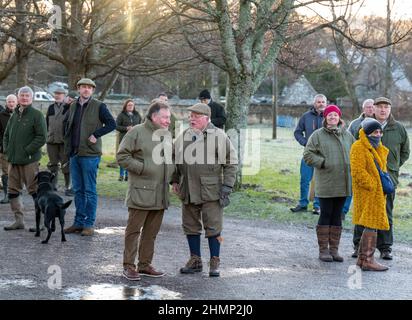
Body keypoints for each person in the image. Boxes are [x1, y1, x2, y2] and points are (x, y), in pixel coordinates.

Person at [172, 103, 238, 277]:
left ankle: (214, 261)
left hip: (212, 190)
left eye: (196, 116)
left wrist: (227, 186)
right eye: (190, 115)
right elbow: (175, 159)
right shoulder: (184, 135)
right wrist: (174, 180)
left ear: (207, 118)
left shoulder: (219, 136)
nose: (191, 119)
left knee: (213, 226)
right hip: (188, 188)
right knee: (190, 226)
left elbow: (231, 162)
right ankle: (195, 261)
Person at [117, 101, 173, 281]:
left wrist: (175, 178)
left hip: (160, 192)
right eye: (165, 117)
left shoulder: (166, 135)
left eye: (169, 118)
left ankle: (144, 264)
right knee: (134, 231)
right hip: (141, 191)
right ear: (154, 116)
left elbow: (170, 161)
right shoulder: (136, 132)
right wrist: (143, 168)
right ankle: (128, 266)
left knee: (151, 232)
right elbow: (122, 156)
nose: (168, 121)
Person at [352, 97, 410, 260]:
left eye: (386, 107)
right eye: (380, 107)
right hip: (368, 180)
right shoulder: (365, 127)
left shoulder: (398, 128)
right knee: (364, 211)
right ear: (374, 109)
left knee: (386, 212)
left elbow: (405, 152)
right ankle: (358, 246)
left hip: (388, 179)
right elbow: (358, 150)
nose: (383, 110)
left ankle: (385, 248)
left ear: (390, 109)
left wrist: (393, 168)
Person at [63, 78, 116, 236]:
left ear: (92, 91)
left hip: (90, 155)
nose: (86, 90)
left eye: (89, 88)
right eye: (83, 87)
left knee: (90, 191)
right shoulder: (72, 105)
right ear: (78, 89)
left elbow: (112, 124)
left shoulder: (99, 106)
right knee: (78, 190)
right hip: (74, 154)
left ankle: (89, 224)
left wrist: (96, 134)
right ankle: (78, 223)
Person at [303, 105, 355, 262]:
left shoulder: (347, 135)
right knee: (326, 214)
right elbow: (308, 154)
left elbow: (355, 152)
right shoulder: (317, 135)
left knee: (337, 215)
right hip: (326, 182)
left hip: (343, 182)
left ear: (339, 117)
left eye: (335, 115)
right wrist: (324, 162)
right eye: (329, 115)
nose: (333, 117)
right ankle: (323, 250)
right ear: (325, 118)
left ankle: (334, 250)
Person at [3, 87, 47, 231]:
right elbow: (6, 135)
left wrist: (27, 150)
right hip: (13, 161)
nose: (24, 98)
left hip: (30, 160)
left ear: (32, 98)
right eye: (22, 95)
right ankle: (19, 221)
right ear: (18, 97)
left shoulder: (37, 115)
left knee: (34, 191)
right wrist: (8, 150)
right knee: (12, 191)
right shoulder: (14, 114)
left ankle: (41, 223)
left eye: (27, 96)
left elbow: (42, 137)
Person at [350, 118, 389, 271]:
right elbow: (357, 171)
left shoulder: (377, 147)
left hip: (376, 192)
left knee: (371, 223)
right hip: (367, 192)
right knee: (371, 223)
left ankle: (363, 259)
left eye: (380, 132)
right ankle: (367, 260)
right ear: (367, 133)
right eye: (374, 132)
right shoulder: (358, 146)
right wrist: (372, 185)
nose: (378, 134)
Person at [290, 94, 327, 214]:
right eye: (318, 102)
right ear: (314, 103)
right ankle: (303, 204)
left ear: (326, 103)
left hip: (323, 155)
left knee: (320, 181)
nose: (321, 104)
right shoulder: (306, 116)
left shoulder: (330, 116)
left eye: (323, 102)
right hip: (308, 154)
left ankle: (317, 206)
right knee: (305, 179)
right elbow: (297, 132)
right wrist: (305, 143)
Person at [341, 99, 375, 220]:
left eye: (372, 107)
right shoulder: (355, 124)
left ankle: (367, 214)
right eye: (368, 107)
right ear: (363, 109)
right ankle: (343, 211)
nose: (370, 109)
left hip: (374, 161)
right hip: (357, 160)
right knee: (351, 186)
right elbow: (347, 141)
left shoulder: (379, 123)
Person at [45, 87, 72, 195]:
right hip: (51, 141)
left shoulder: (69, 108)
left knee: (66, 165)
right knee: (53, 165)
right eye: (56, 93)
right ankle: (53, 185)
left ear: (64, 96)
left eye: (60, 94)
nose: (57, 95)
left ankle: (68, 186)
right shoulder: (50, 107)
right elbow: (46, 123)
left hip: (64, 142)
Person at [115, 99, 142, 182]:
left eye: (132, 105)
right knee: (123, 157)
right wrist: (126, 128)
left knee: (132, 157)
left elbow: (141, 126)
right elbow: (116, 126)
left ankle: (128, 175)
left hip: (135, 140)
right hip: (124, 139)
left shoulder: (137, 115)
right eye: (129, 105)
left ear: (134, 107)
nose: (130, 106)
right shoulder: (121, 115)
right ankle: (121, 175)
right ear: (125, 106)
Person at [0, 94, 18, 204]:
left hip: (19, 149)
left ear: (16, 102)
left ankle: (16, 193)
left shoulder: (21, 114)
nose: (11, 104)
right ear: (6, 103)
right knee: (6, 172)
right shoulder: (1, 115)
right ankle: (7, 195)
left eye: (13, 101)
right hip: (5, 149)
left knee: (17, 171)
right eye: (9, 102)